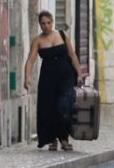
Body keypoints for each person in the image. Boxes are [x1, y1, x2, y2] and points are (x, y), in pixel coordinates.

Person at [23, 11, 84, 151]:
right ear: (39, 24)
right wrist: (27, 77)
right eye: (43, 24)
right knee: (48, 108)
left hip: (65, 76)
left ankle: (64, 138)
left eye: (48, 23)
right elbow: (30, 60)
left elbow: (72, 55)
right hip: (48, 78)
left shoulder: (62, 35)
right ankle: (52, 139)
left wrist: (79, 74)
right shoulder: (37, 41)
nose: (46, 26)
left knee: (64, 106)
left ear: (52, 22)